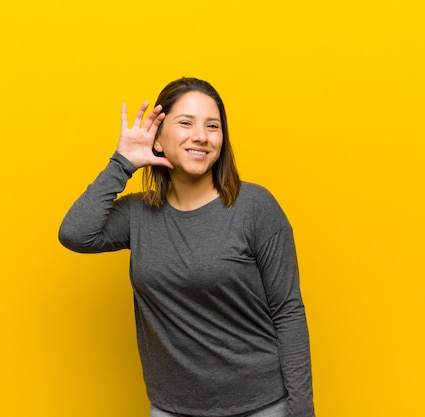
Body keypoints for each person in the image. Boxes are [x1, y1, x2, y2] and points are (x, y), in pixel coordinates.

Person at [58, 77, 315, 417]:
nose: (202, 136)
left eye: (213, 126)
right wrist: (122, 163)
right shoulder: (139, 213)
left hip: (261, 406)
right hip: (171, 408)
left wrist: (302, 413)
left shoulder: (254, 207)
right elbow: (75, 234)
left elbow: (288, 311)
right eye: (186, 123)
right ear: (158, 138)